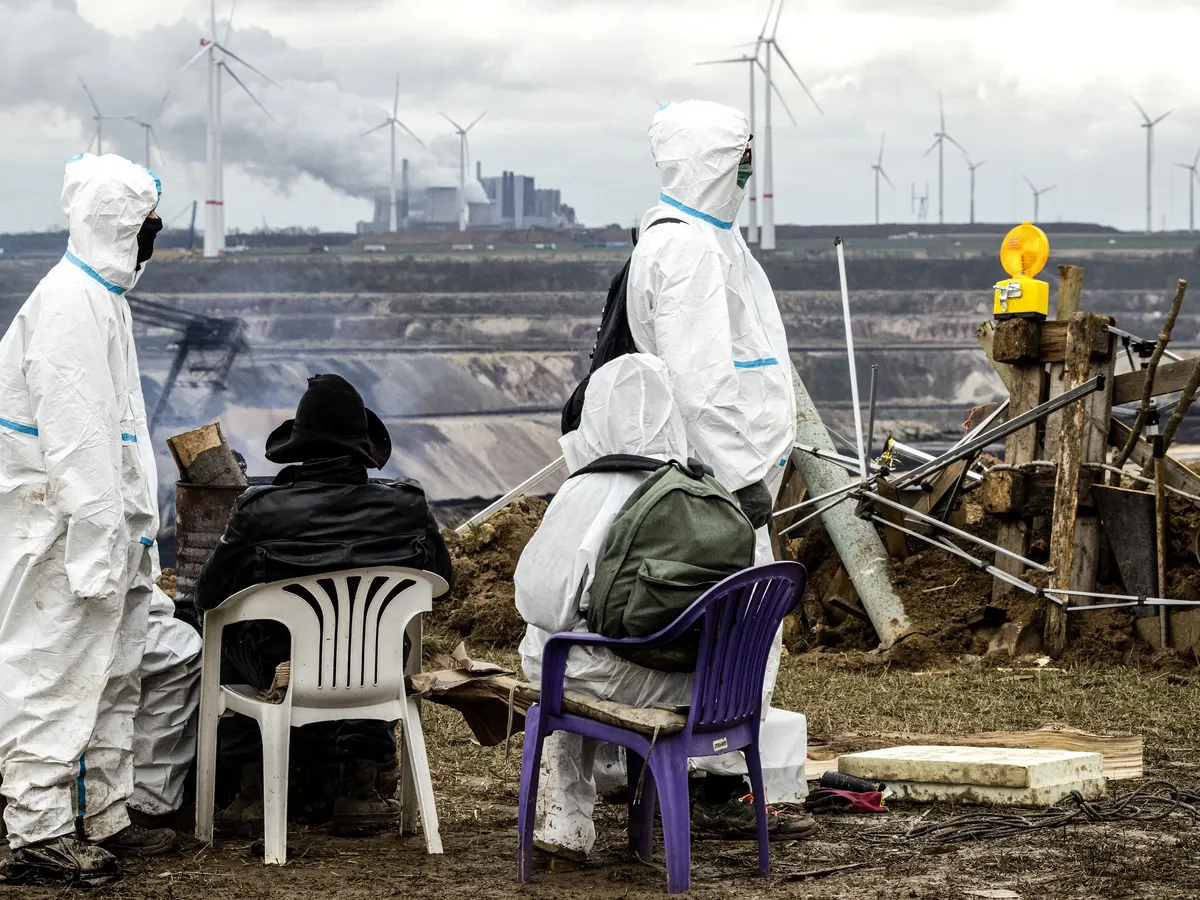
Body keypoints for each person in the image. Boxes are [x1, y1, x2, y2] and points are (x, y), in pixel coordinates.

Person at [516, 354, 812, 863]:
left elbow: (540, 599)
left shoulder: (587, 491)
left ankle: (565, 821)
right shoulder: (709, 493)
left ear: (597, 417)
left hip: (621, 678)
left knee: (545, 644)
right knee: (575, 642)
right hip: (708, 690)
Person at [0, 152, 196, 887]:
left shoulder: (100, 298)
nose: (152, 239)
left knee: (111, 679)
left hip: (106, 537)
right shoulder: (68, 306)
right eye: (147, 226)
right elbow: (79, 446)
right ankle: (39, 833)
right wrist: (93, 552)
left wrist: (134, 541)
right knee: (54, 678)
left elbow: (117, 438)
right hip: (63, 541)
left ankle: (103, 814)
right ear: (118, 224)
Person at [624, 100, 805, 831]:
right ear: (711, 161)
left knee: (734, 630)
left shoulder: (703, 239)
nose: (750, 170)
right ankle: (716, 783)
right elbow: (702, 382)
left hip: (720, 479)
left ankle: (709, 773)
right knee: (737, 631)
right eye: (741, 156)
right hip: (718, 486)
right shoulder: (691, 250)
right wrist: (741, 478)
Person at [195, 373, 454, 837]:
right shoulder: (408, 505)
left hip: (281, 669)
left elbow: (208, 597)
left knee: (223, 629)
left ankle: (252, 793)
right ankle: (362, 784)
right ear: (362, 450)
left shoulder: (259, 509)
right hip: (376, 672)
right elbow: (442, 582)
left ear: (299, 447)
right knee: (373, 637)